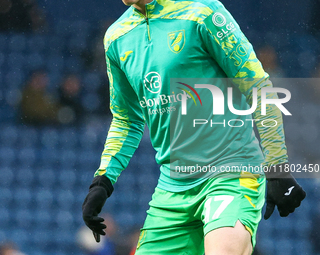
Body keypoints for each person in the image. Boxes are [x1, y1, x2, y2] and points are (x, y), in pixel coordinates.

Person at [82, 0, 306, 254]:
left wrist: (277, 165)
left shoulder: (202, 12)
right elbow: (127, 119)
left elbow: (258, 86)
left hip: (231, 173)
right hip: (172, 189)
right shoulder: (116, 37)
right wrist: (103, 181)